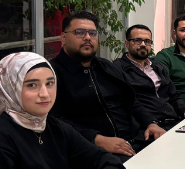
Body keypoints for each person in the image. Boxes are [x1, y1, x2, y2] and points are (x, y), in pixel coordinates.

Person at [51, 12, 166, 159]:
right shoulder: (52, 73)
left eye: (92, 33)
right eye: (79, 32)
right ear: (63, 38)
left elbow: (131, 102)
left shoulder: (105, 66)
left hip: (137, 140)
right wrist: (97, 139)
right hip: (94, 150)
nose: (87, 37)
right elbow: (55, 121)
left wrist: (151, 123)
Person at [115, 24, 185, 130]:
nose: (143, 44)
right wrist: (150, 123)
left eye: (147, 41)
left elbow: (174, 96)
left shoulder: (158, 68)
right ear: (127, 44)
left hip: (173, 122)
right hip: (146, 127)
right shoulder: (118, 69)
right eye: (138, 40)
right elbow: (128, 104)